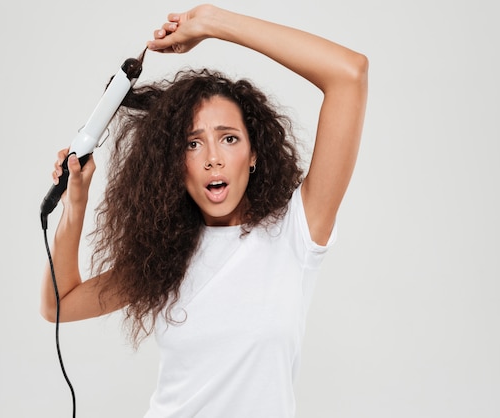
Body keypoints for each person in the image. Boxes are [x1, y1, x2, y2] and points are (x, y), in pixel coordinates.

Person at [41, 4, 367, 417]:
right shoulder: (164, 257)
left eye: (229, 139)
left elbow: (349, 75)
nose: (213, 158)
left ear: (253, 154)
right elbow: (59, 305)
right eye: (193, 144)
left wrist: (213, 24)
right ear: (175, 165)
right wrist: (76, 203)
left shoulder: (296, 233)